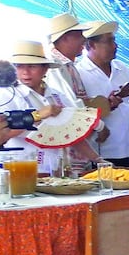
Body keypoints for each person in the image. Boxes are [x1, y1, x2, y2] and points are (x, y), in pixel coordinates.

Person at [0, 41, 74, 176]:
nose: (25, 72)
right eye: (19, 66)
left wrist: (96, 158)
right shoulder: (5, 94)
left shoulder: (56, 96)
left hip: (52, 167)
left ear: (45, 69)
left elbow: (73, 127)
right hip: (16, 168)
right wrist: (37, 116)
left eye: (32, 66)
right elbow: (0, 131)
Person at [76, 21, 129, 168]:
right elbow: (78, 112)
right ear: (91, 45)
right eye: (109, 41)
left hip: (127, 147)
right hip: (99, 152)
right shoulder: (79, 73)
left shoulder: (122, 68)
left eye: (114, 40)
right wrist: (107, 105)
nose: (115, 46)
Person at [45, 13, 104, 169]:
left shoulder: (68, 65)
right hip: (67, 150)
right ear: (65, 38)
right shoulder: (54, 66)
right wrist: (99, 125)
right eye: (79, 35)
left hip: (78, 146)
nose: (84, 40)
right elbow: (68, 104)